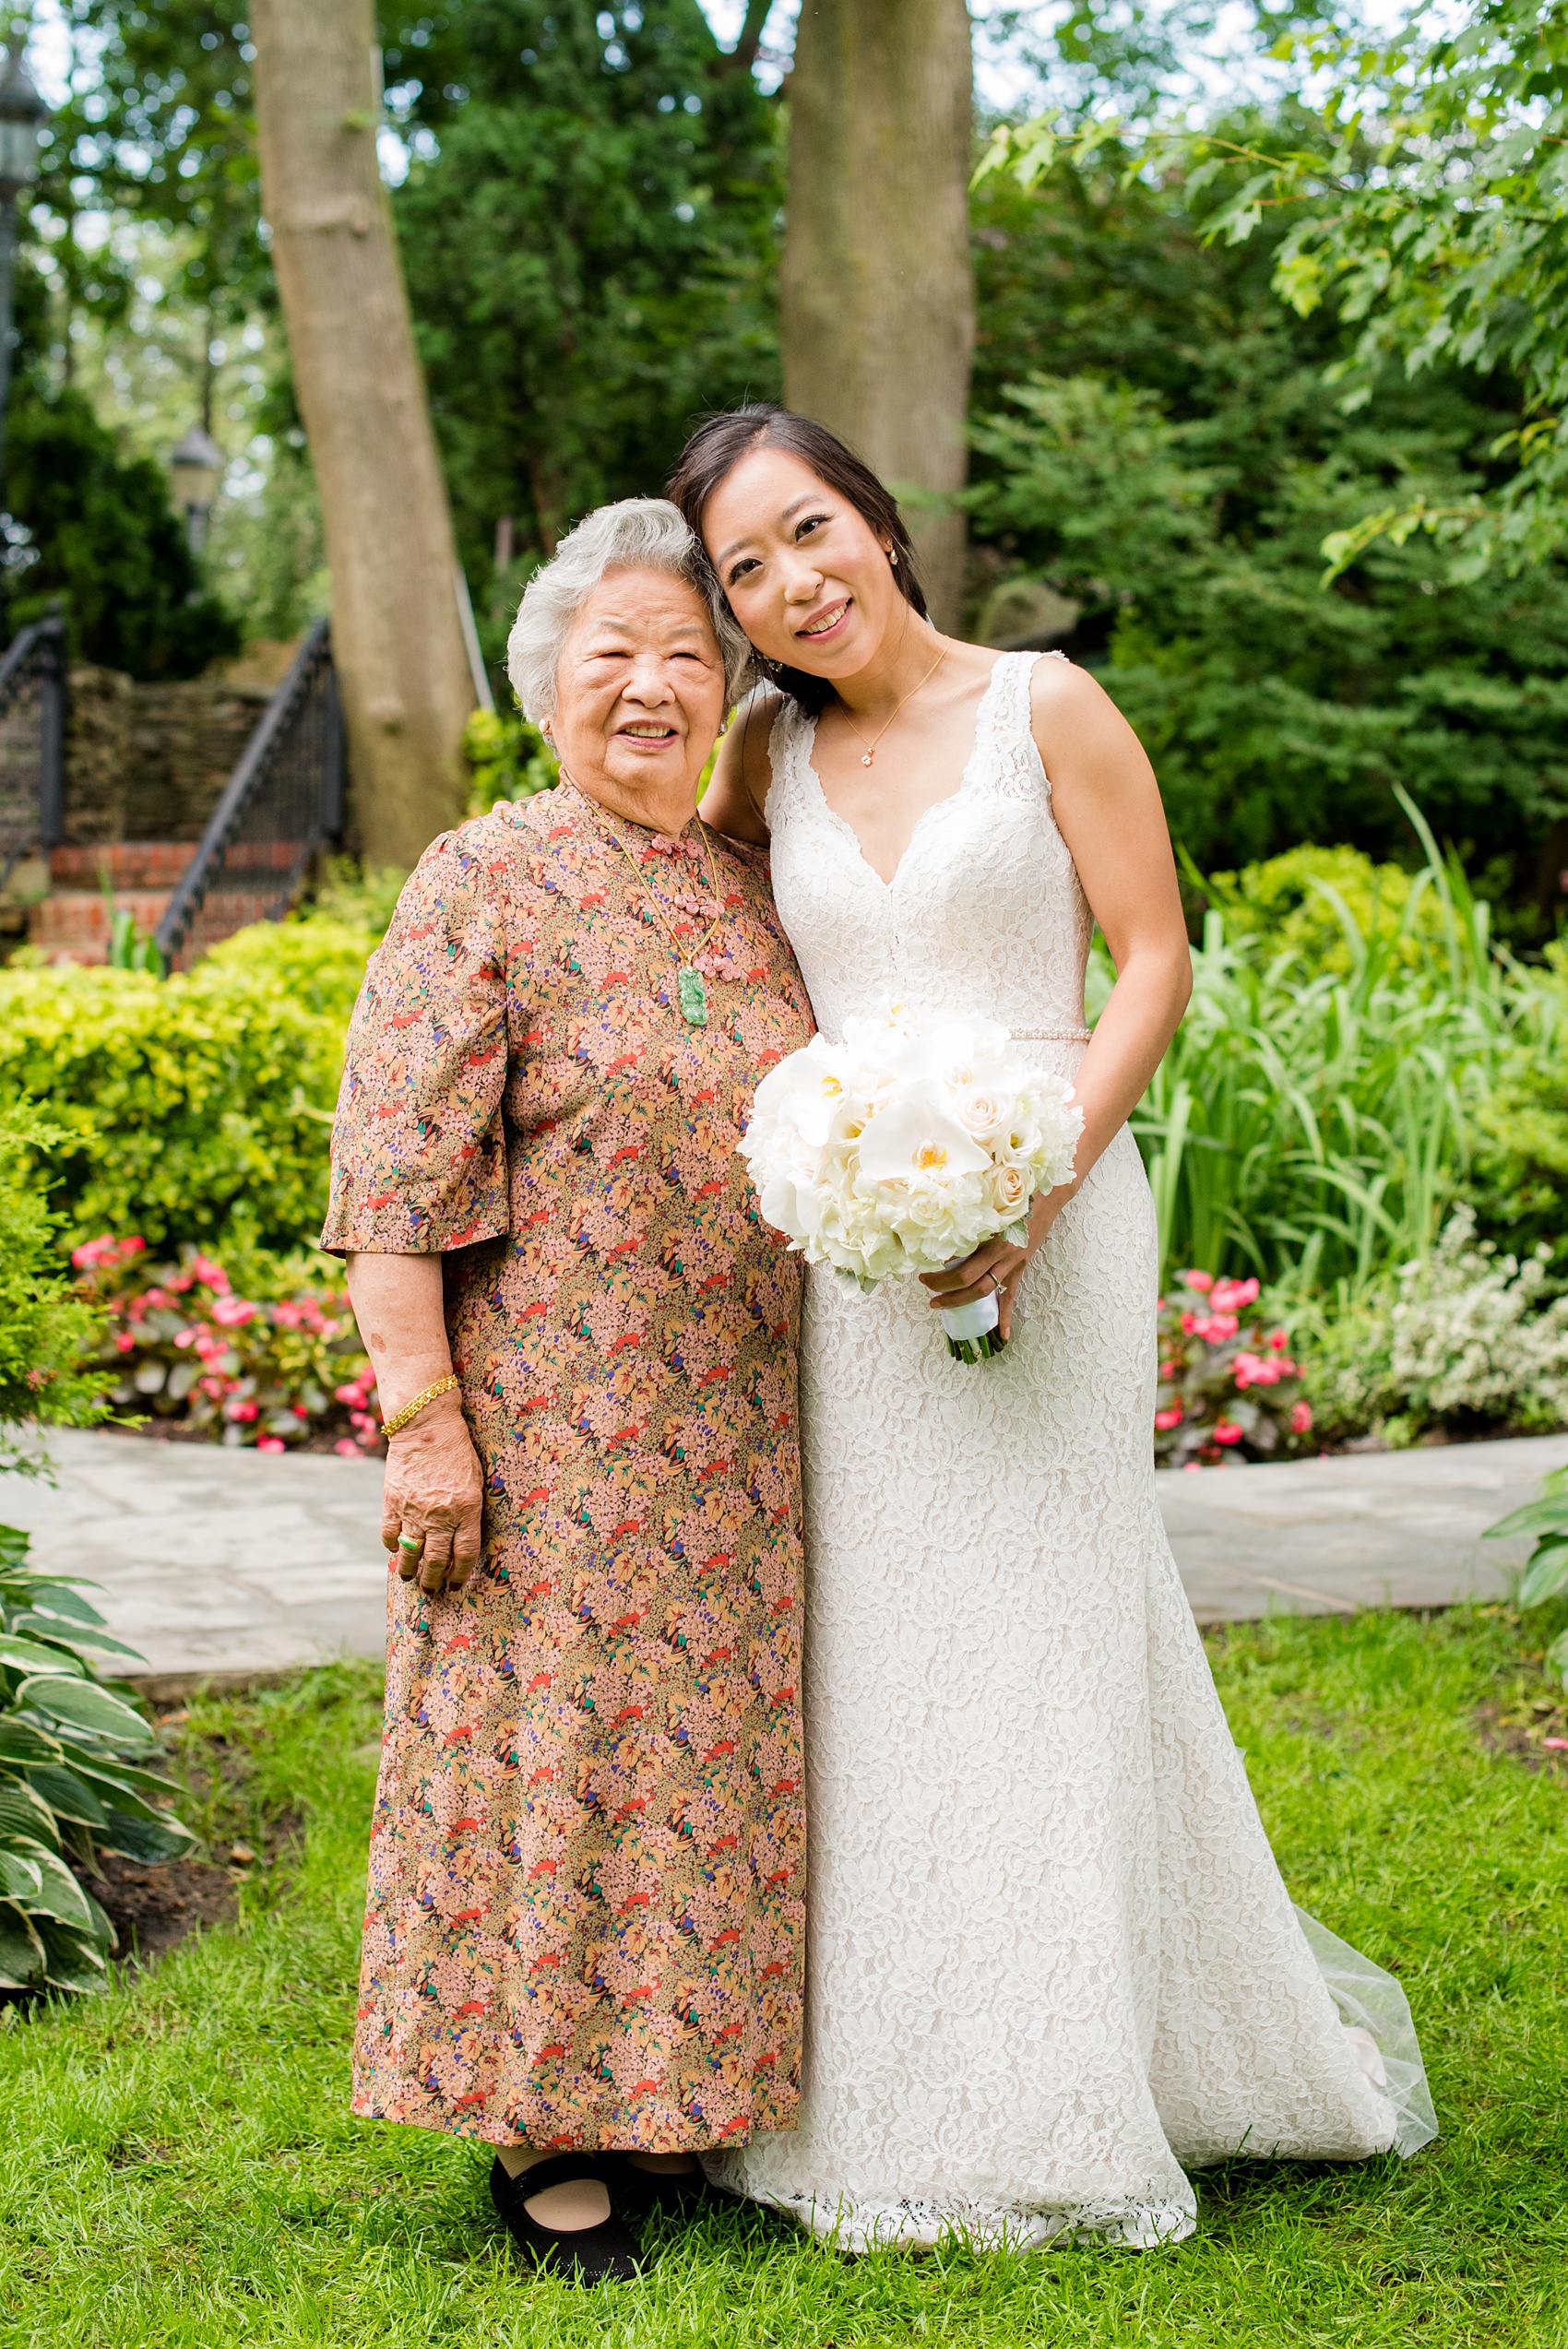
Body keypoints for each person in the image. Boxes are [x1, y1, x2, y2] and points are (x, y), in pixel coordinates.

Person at [667, 406, 1435, 2249]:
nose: (789, 583)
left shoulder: (1047, 707)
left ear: (872, 512)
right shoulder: (759, 747)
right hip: (855, 1239)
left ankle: (1078, 2068)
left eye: (806, 530)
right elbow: (670, 908)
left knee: (1047, 1611)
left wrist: (1042, 1187)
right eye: (743, 570)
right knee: (879, 1632)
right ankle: (872, 2074)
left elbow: (1151, 951)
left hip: (1054, 1195)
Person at [321, 497, 815, 2284]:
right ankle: (544, 2121)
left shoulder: (742, 882)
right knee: (553, 1770)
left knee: (700, 1773)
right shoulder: (481, 874)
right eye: (612, 650)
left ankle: (678, 2085)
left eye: (687, 655)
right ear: (546, 681)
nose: (650, 685)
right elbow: (393, 1178)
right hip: (549, 1432)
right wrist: (425, 1421)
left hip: (739, 1431)